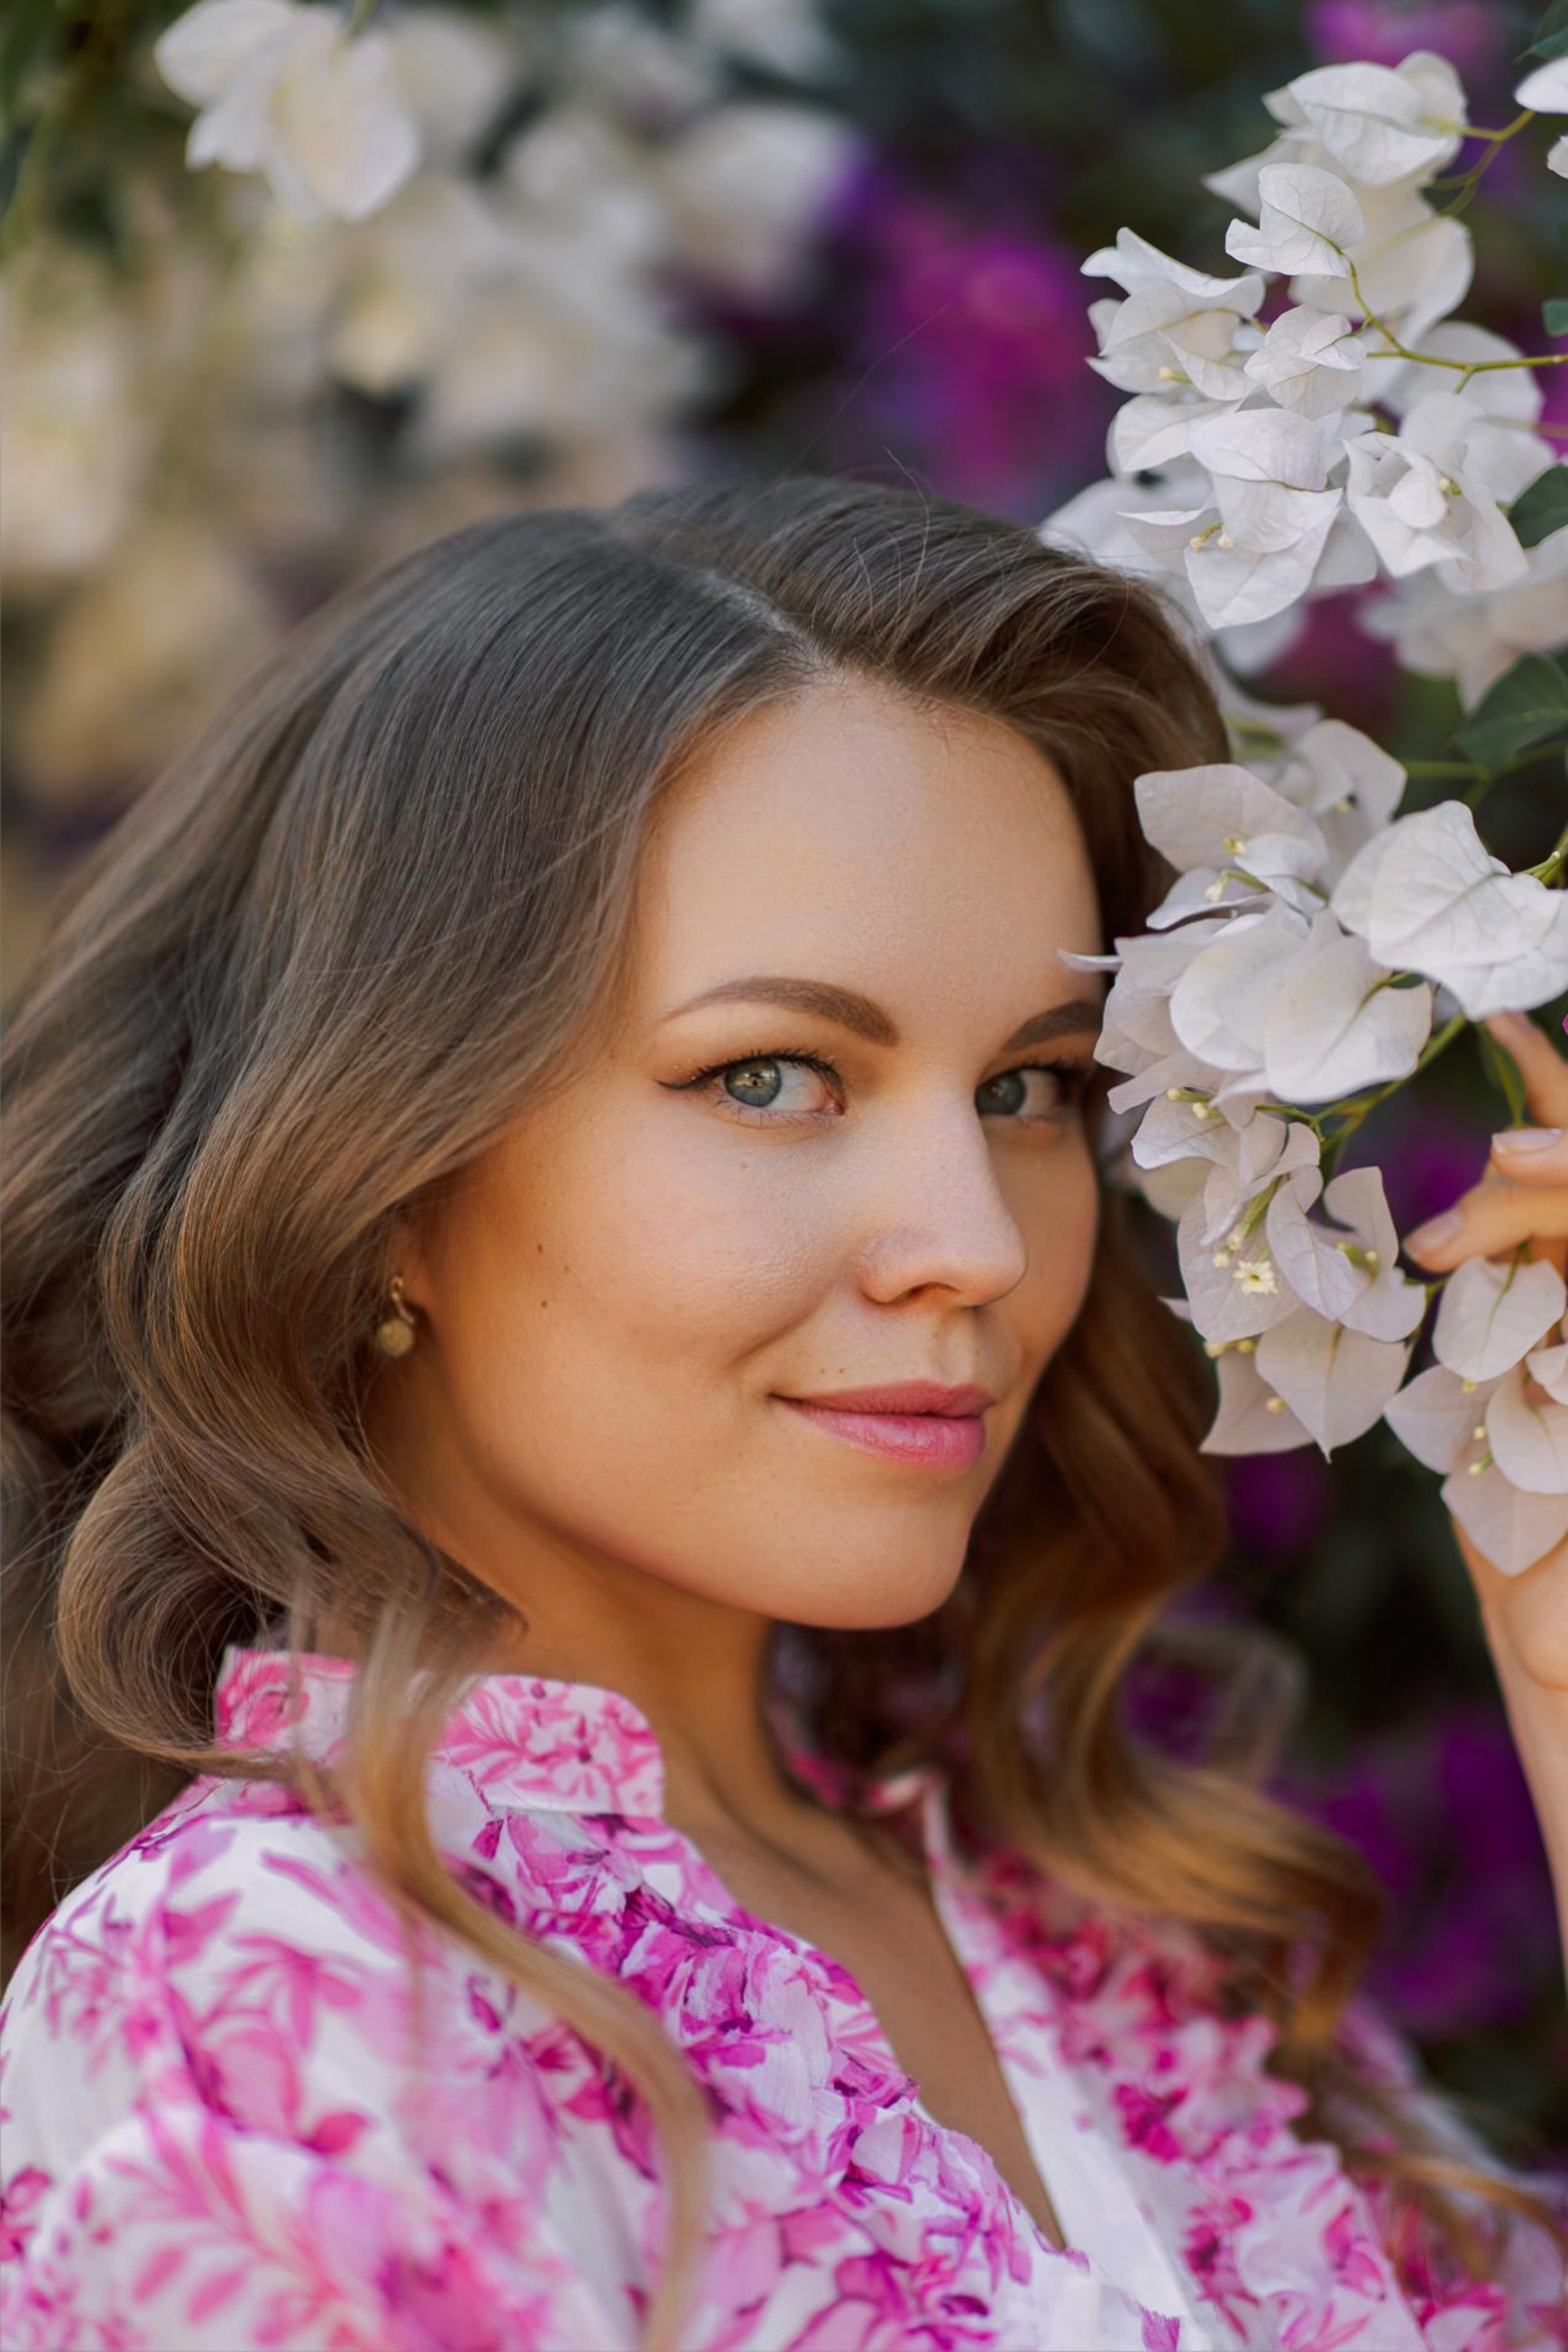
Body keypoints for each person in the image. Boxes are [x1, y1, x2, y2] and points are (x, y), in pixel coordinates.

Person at [1, 477, 1564, 2352]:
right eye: (773, 1076)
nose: (977, 1246)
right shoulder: (269, 1994)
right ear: (380, 1176)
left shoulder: (1117, 1912)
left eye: (1029, 1089)